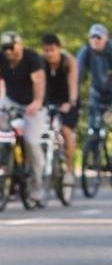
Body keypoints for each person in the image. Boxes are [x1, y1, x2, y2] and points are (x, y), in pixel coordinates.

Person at [0, 30, 47, 206]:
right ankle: (3, 154)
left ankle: (37, 186)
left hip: (33, 105)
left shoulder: (31, 58)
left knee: (32, 142)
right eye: (5, 48)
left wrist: (37, 102)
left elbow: (39, 81)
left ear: (20, 45)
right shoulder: (1, 59)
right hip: (11, 101)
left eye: (11, 47)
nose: (8, 51)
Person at [41, 34, 79, 183]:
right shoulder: (41, 62)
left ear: (59, 49)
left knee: (66, 130)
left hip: (68, 99)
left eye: (52, 50)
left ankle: (70, 170)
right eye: (46, 50)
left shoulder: (69, 61)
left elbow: (73, 83)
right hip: (50, 99)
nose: (49, 53)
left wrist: (71, 102)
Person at [77, 23, 112, 131]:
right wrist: (74, 96)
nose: (95, 40)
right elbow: (78, 75)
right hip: (96, 93)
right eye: (93, 37)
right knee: (93, 128)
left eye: (99, 37)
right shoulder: (86, 51)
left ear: (106, 38)